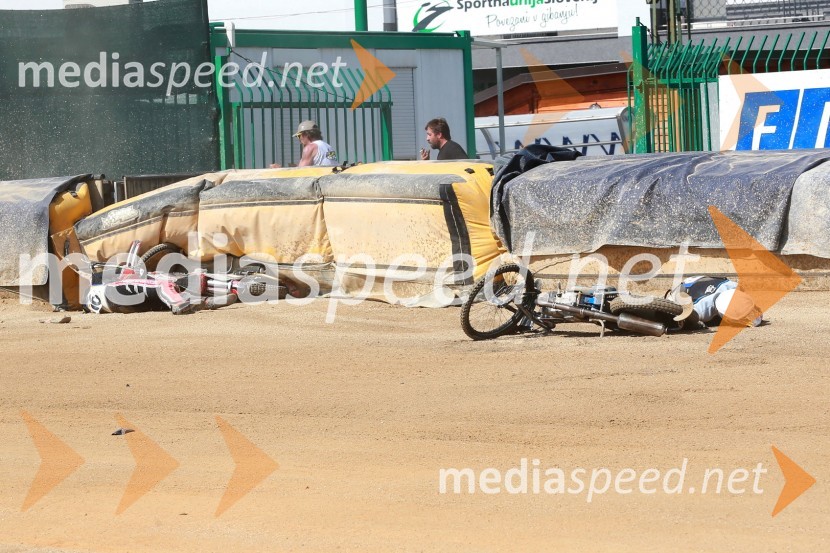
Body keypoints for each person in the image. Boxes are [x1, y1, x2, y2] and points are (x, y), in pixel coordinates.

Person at [671, 276, 763, 327]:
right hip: (681, 289)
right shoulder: (702, 311)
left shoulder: (734, 286)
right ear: (726, 318)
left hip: (701, 281)